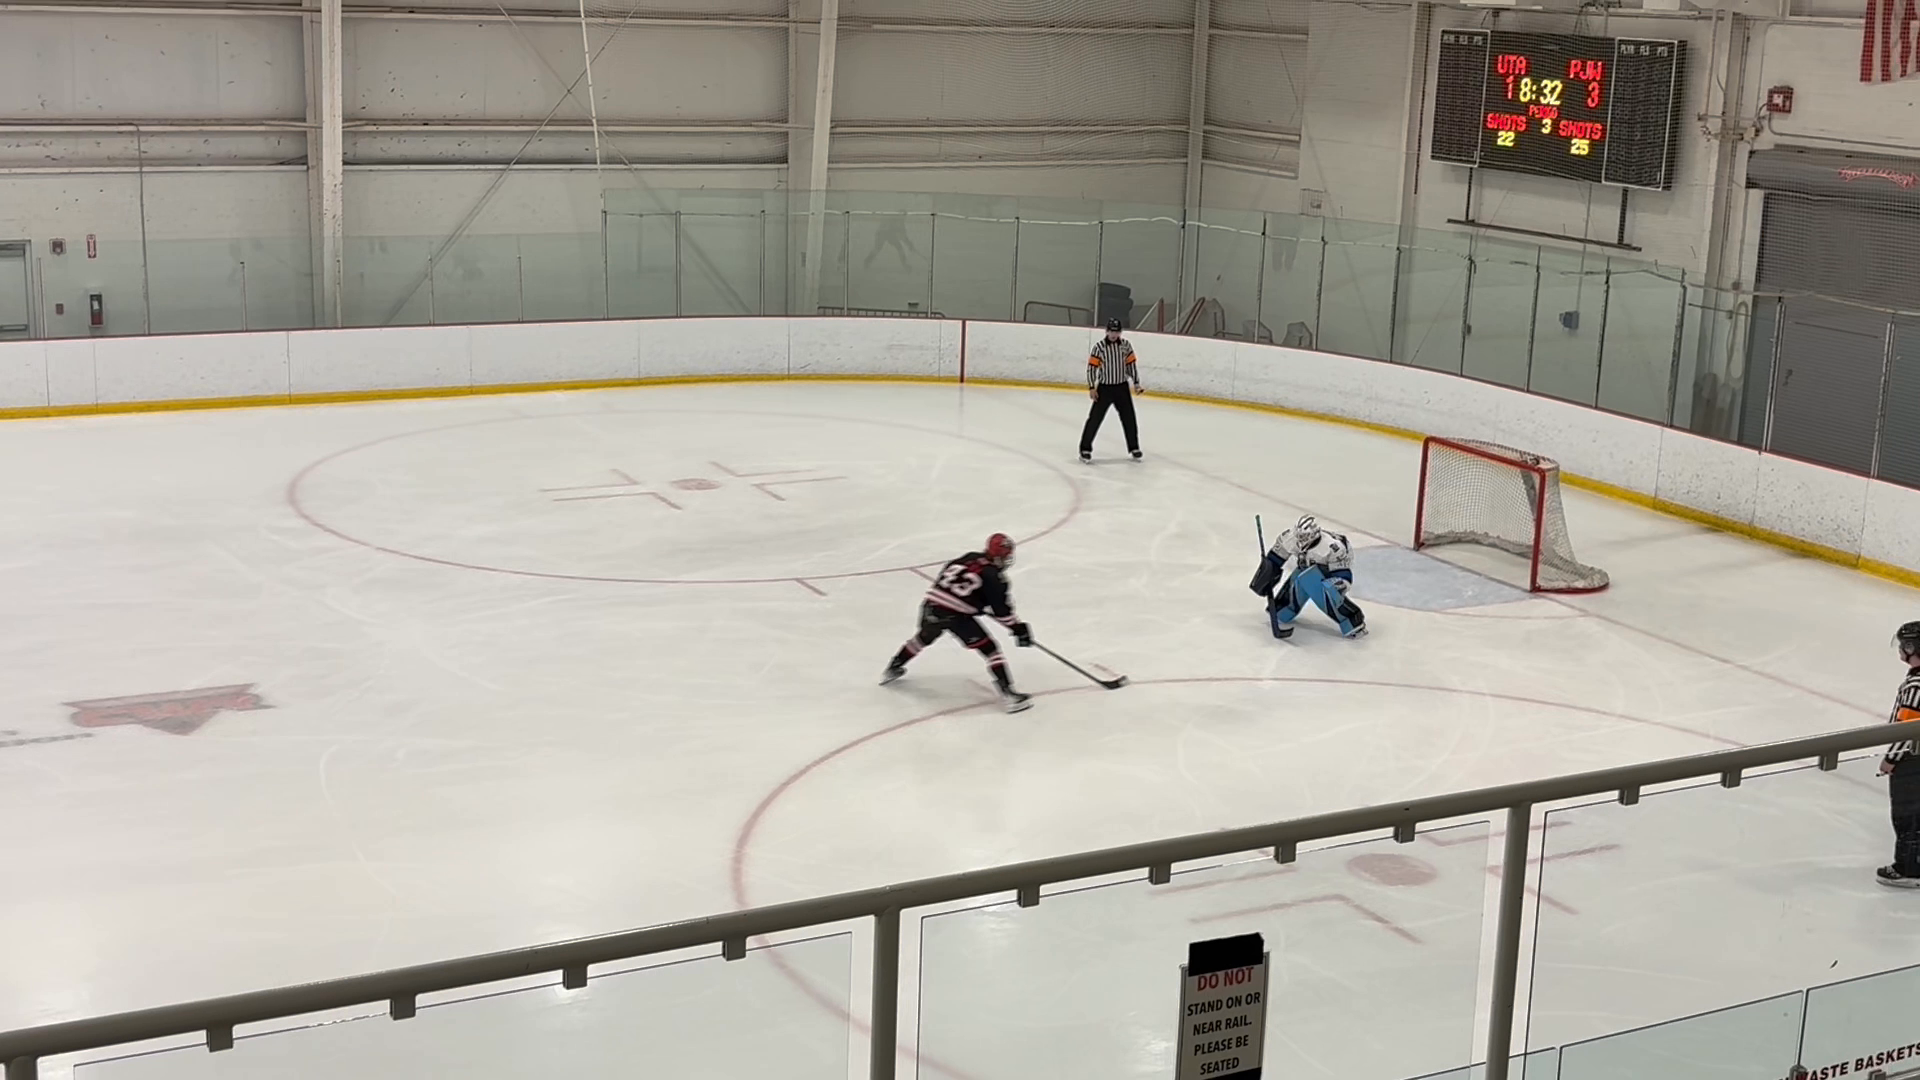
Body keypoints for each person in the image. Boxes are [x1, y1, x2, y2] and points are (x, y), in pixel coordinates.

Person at [881, 533, 1035, 713]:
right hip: (956, 616)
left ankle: (893, 667)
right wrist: (1018, 629)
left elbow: (947, 578)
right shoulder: (995, 577)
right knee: (990, 650)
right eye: (1006, 556)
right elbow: (1002, 612)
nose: (1008, 559)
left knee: (923, 638)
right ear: (1000, 556)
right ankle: (1009, 695)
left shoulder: (969, 557)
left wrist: (975, 602)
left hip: (931, 605)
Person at [1248, 514, 1366, 640]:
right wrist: (1267, 573)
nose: (1300, 540)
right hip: (1307, 565)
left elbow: (1343, 573)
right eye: (1299, 536)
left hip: (1329, 569)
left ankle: (1352, 620)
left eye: (1304, 537)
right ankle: (1283, 610)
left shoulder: (1333, 547)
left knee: (1319, 586)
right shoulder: (1289, 537)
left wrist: (1338, 585)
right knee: (1302, 576)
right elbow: (1275, 558)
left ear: (1313, 535)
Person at [1878, 621, 1920, 887]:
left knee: (1908, 815)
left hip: (1912, 761)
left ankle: (1909, 868)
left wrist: (1891, 760)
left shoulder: (1915, 686)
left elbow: (1907, 728)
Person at [1079, 319, 1143, 463]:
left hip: (1121, 387)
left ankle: (1134, 447)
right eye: (1111, 331)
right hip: (1105, 388)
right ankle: (1085, 449)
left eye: (1117, 331)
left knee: (1129, 418)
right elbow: (1091, 368)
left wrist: (1136, 383)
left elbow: (1131, 365)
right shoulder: (1099, 347)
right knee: (1095, 419)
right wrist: (1091, 387)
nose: (1114, 334)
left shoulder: (1126, 345)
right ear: (1106, 331)